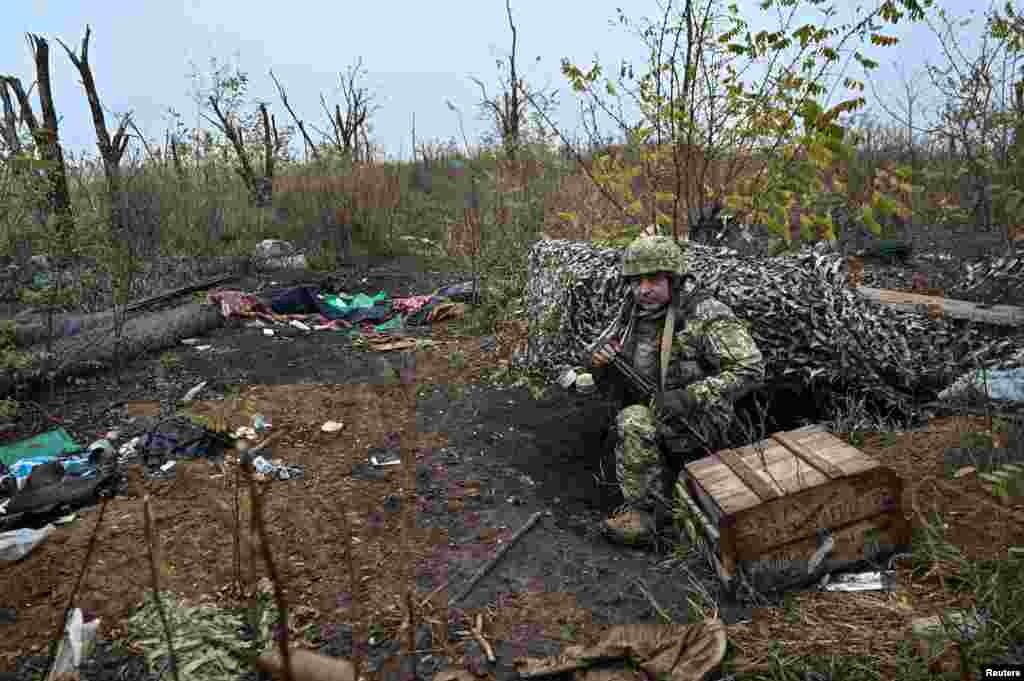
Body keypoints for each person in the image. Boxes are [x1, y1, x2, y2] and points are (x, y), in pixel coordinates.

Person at [588, 234, 766, 547]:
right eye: (637, 280)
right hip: (655, 407)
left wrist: (689, 397)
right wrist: (601, 366)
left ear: (673, 278)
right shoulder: (631, 312)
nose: (644, 289)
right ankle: (650, 477)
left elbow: (751, 370)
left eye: (654, 279)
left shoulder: (704, 313)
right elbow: (603, 350)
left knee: (633, 421)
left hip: (700, 418)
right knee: (623, 416)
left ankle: (648, 518)